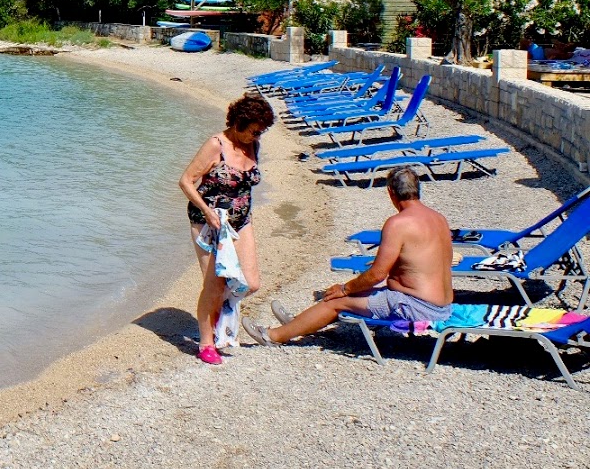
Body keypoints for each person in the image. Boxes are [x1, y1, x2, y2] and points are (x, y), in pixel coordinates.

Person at [245, 167, 453, 346]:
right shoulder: (439, 219)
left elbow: (377, 274)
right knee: (358, 293)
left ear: (391, 193)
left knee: (337, 300)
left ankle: (273, 336)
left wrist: (345, 288)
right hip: (442, 306)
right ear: (417, 190)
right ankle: (298, 322)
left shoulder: (398, 223)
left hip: (417, 308)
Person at [178, 91, 275, 365]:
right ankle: (206, 341)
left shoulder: (253, 145)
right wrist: (208, 212)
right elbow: (185, 181)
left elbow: (246, 182)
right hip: (208, 222)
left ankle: (220, 312)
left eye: (261, 132)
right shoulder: (215, 145)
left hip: (242, 220)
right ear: (238, 123)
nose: (257, 137)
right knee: (214, 285)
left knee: (251, 283)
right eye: (254, 131)